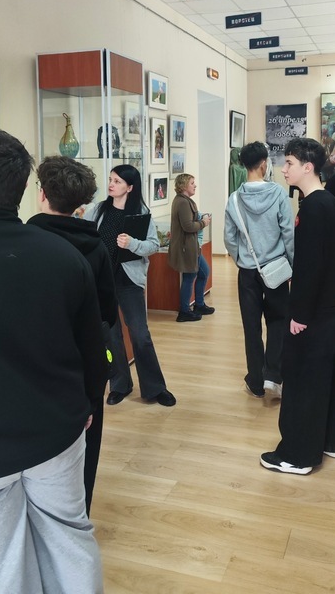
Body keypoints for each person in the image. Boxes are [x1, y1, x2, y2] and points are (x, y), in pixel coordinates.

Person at [0, 130, 105, 594]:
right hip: (56, 433)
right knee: (69, 542)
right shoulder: (64, 256)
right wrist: (87, 405)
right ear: (27, 187)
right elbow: (93, 349)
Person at [28, 155, 118, 515]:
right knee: (86, 449)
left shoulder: (28, 241)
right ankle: (79, 514)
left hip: (37, 362)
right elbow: (107, 312)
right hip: (84, 361)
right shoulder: (95, 245)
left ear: (42, 194)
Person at [260, 138, 335, 475]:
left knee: (302, 378)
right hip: (328, 306)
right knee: (326, 374)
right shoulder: (329, 201)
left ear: (308, 167)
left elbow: (311, 267)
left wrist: (299, 314)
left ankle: (297, 455)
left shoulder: (314, 207)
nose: (283, 169)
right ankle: (329, 440)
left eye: (289, 163)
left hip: (314, 310)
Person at [85, 165, 176, 407]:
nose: (111, 184)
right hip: (101, 281)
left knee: (140, 334)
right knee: (111, 335)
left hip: (129, 282)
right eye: (110, 179)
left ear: (130, 187)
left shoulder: (140, 213)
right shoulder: (98, 211)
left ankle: (155, 388)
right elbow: (83, 233)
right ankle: (119, 385)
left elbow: (153, 245)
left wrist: (132, 243)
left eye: (117, 181)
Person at [224, 141, 294, 399]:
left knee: (251, 325)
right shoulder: (278, 194)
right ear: (264, 164)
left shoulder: (234, 198)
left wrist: (241, 259)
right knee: (278, 321)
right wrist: (293, 265)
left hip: (247, 271)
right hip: (276, 269)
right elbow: (288, 233)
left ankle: (255, 380)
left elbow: (229, 238)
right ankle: (273, 377)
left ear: (244, 164)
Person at [169, 173, 215, 323]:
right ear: (183, 186)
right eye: (192, 183)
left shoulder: (184, 201)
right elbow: (188, 226)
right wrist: (204, 223)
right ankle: (184, 311)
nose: (195, 185)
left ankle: (199, 305)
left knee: (204, 272)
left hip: (192, 247)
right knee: (189, 278)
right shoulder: (182, 202)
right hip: (187, 248)